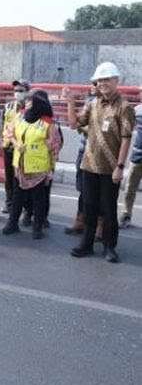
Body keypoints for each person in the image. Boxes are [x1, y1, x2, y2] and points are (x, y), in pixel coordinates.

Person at [66, 62, 135, 263]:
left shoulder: (125, 107)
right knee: (89, 206)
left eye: (107, 79)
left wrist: (120, 167)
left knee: (108, 209)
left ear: (116, 81)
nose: (103, 83)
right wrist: (70, 102)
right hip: (89, 165)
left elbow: (126, 137)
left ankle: (109, 247)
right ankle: (87, 244)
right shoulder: (92, 104)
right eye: (100, 80)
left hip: (110, 168)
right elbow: (73, 124)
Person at [2, 91, 62, 240]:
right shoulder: (20, 117)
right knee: (17, 197)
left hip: (39, 168)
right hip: (20, 165)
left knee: (39, 200)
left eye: (30, 101)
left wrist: (51, 169)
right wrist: (17, 144)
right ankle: (12, 223)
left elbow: (55, 147)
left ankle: (37, 227)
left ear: (38, 104)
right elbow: (10, 133)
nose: (26, 104)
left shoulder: (48, 124)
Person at [65, 84, 97, 236]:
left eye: (98, 83)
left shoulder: (111, 105)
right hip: (84, 151)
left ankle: (99, 227)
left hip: (100, 154)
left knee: (100, 192)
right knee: (83, 189)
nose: (95, 86)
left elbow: (94, 130)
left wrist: (84, 128)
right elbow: (74, 124)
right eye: (94, 82)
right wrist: (70, 102)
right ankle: (80, 221)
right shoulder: (89, 102)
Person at [1, 80, 31, 215]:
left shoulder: (31, 108)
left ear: (27, 92)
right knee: (9, 176)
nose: (17, 93)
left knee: (22, 177)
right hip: (9, 146)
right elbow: (4, 124)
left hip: (23, 148)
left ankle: (25, 205)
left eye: (21, 90)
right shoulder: (8, 107)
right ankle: (9, 203)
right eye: (16, 90)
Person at [119, 90, 142, 229]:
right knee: (129, 188)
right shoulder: (137, 110)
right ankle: (126, 215)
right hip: (137, 155)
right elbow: (126, 127)